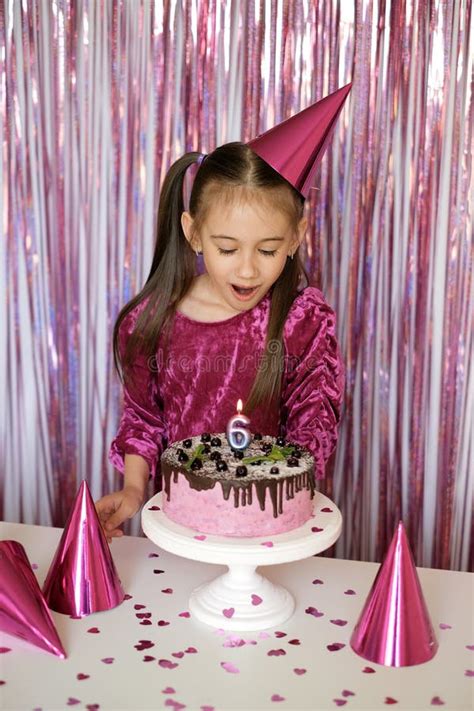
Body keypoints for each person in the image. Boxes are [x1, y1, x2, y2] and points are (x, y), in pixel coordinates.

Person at [96, 85, 351, 542]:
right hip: (181, 531)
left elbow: (316, 420)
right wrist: (134, 489)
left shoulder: (302, 321)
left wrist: (275, 499)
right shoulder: (151, 322)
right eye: (227, 248)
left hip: (270, 535)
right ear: (193, 234)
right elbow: (143, 418)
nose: (249, 268)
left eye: (269, 249)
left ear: (296, 237)